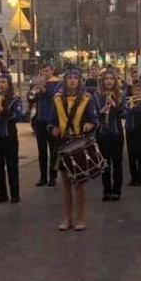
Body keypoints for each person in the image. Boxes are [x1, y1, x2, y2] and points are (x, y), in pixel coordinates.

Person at [48, 68, 98, 231]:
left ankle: (80, 218)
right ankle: (67, 218)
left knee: (79, 183)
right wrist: (53, 128)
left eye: (75, 78)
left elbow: (94, 119)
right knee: (66, 183)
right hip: (63, 142)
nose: (71, 81)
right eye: (69, 78)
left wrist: (90, 124)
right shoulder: (57, 99)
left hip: (79, 142)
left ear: (79, 81)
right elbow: (52, 120)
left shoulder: (86, 98)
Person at [0, 73, 23, 204]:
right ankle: (2, 193)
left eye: (3, 82)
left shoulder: (15, 99)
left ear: (9, 84)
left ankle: (15, 194)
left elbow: (17, 116)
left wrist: (1, 110)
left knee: (11, 165)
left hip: (9, 135)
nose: (0, 85)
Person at [95, 67, 125, 201]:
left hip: (116, 133)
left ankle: (116, 190)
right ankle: (106, 190)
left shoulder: (121, 95)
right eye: (106, 79)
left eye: (111, 79)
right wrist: (100, 112)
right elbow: (93, 115)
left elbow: (123, 113)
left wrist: (115, 105)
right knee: (104, 163)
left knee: (117, 163)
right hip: (102, 133)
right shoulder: (97, 96)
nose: (108, 81)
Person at [33, 63, 61, 187]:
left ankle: (53, 176)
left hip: (51, 120)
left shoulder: (57, 83)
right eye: (43, 71)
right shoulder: (38, 83)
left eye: (47, 71)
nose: (45, 73)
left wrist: (44, 89)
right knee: (41, 150)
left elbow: (55, 98)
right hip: (39, 119)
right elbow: (31, 99)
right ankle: (43, 176)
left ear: (52, 71)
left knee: (53, 150)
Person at [124, 81, 141, 188]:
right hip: (129, 130)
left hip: (139, 131)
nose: (137, 93)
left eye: (139, 90)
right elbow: (124, 112)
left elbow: (139, 111)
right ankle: (133, 178)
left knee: (139, 154)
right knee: (131, 155)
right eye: (135, 90)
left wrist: (132, 105)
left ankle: (140, 178)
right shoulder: (128, 101)